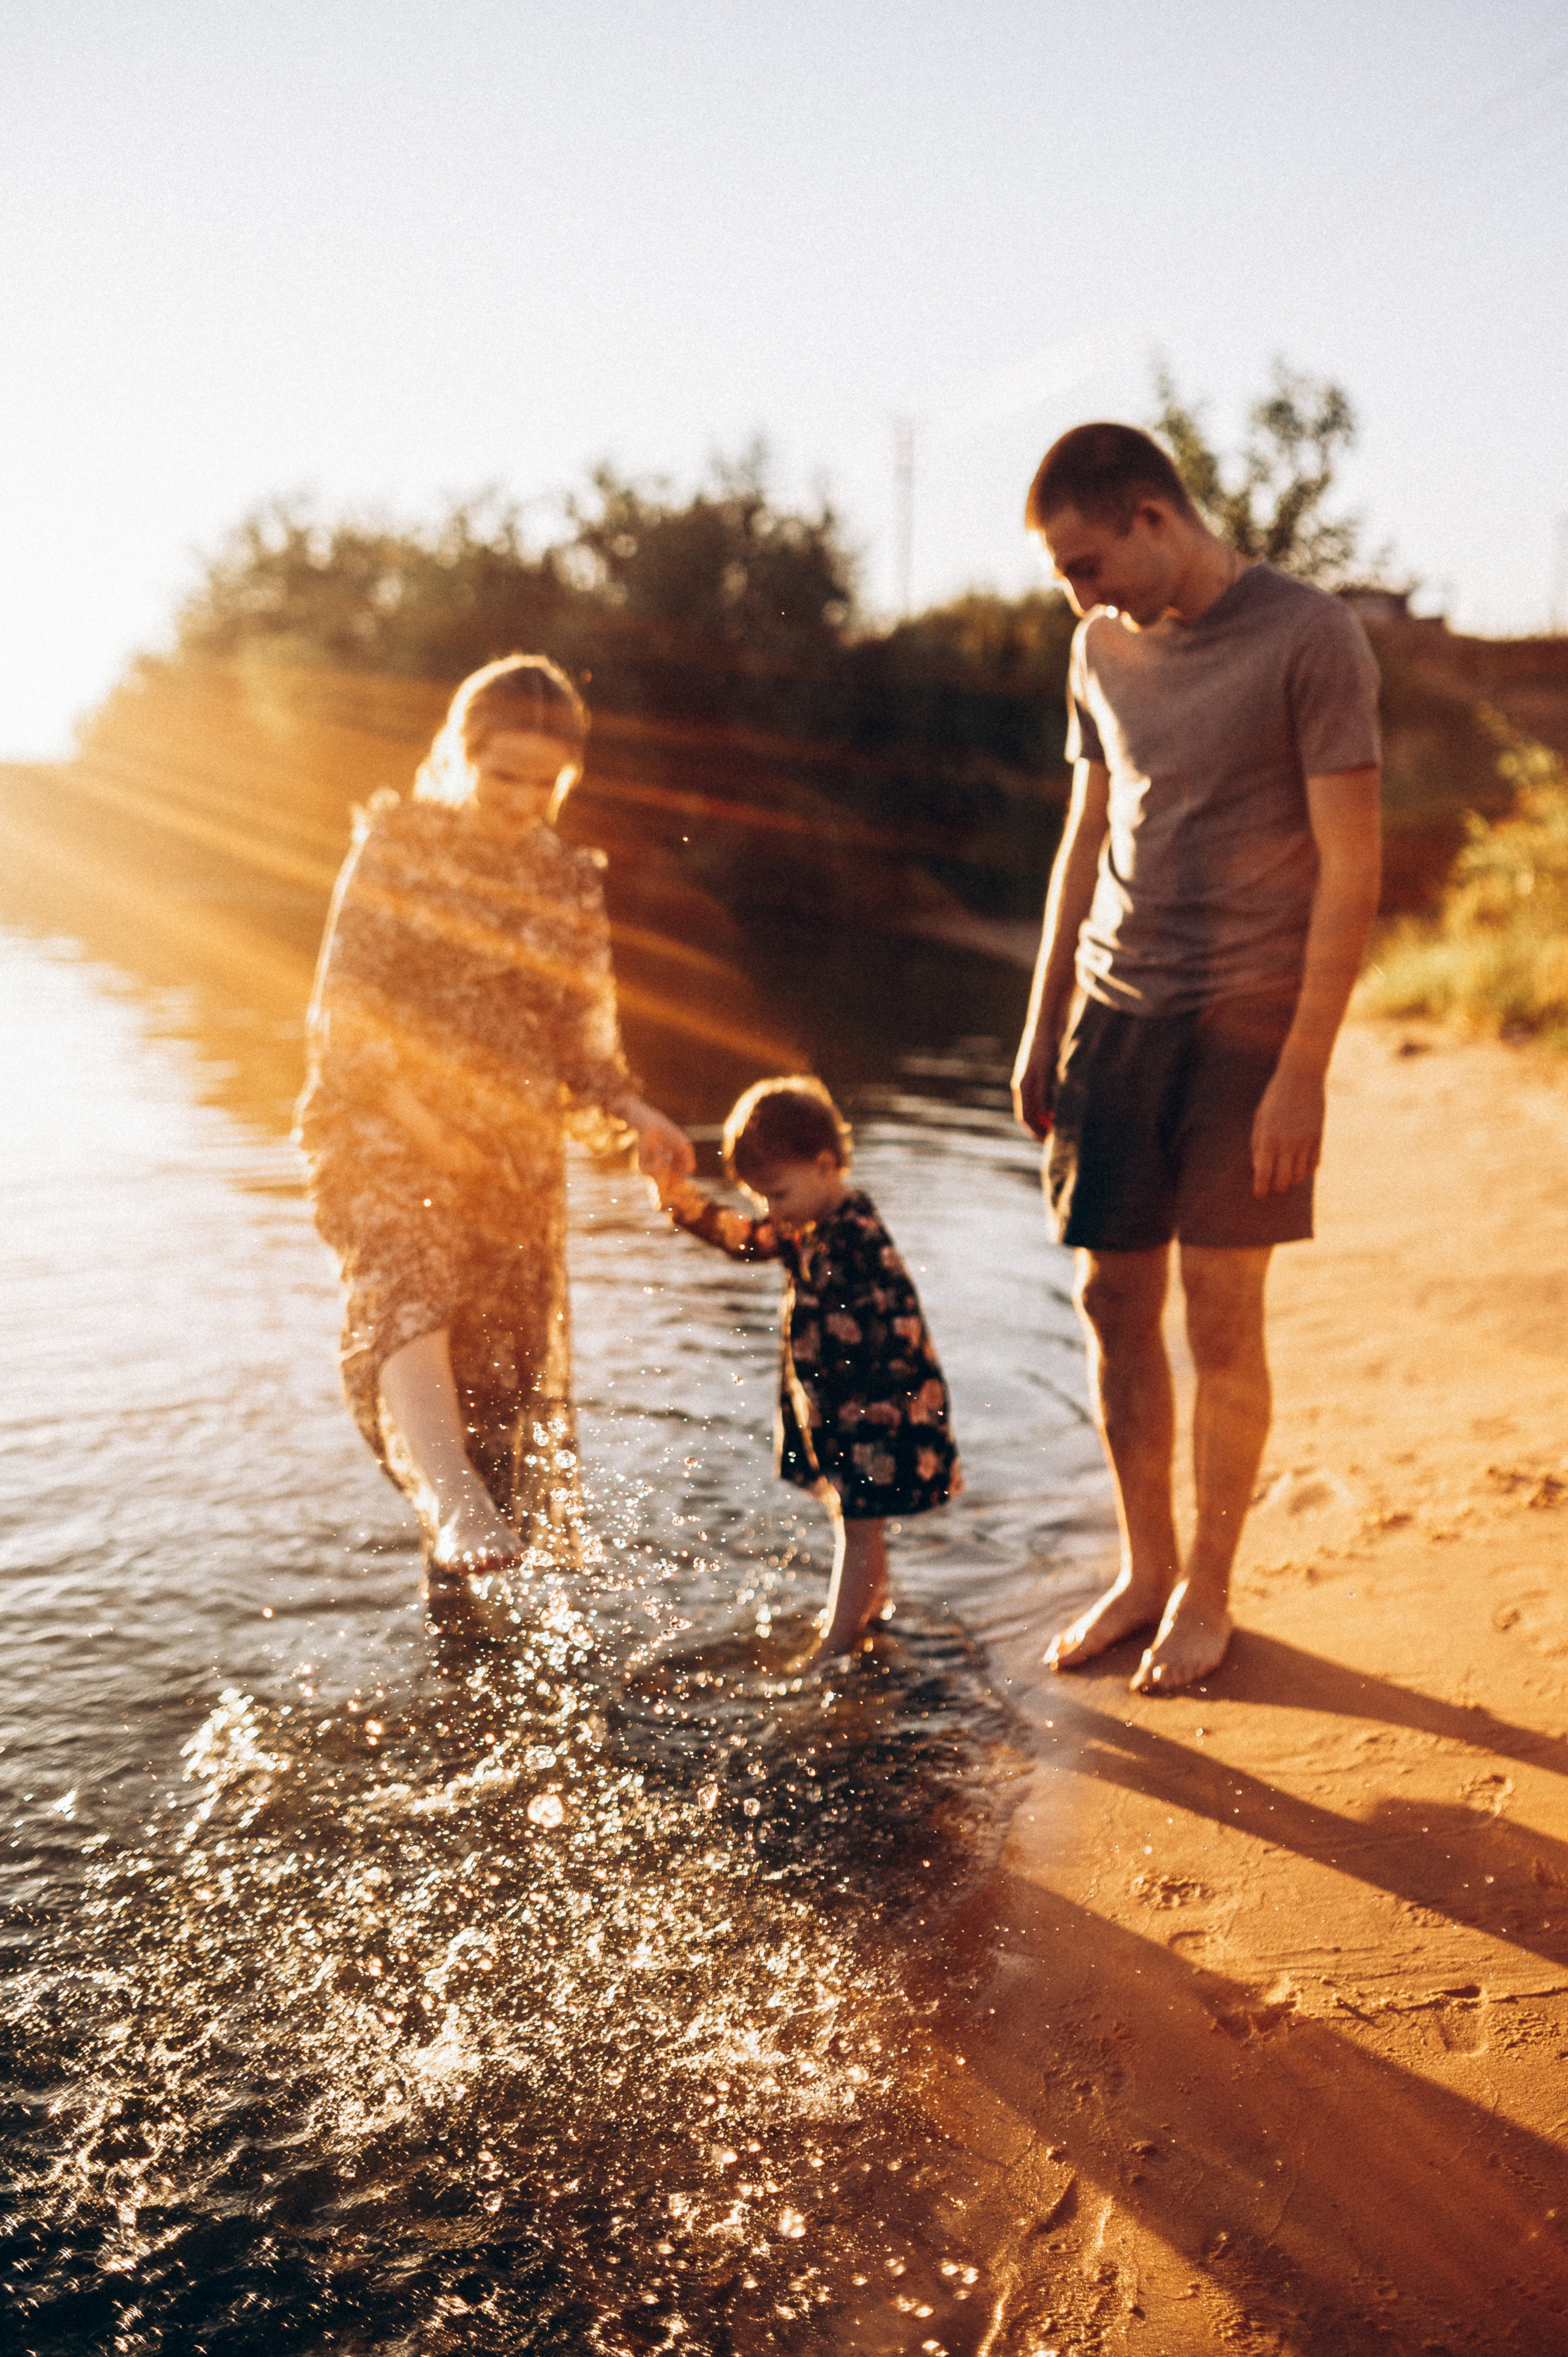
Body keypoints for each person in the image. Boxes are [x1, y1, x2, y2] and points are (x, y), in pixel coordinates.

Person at [1011, 423, 1382, 1693]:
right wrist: (1040, 1012)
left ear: (1150, 519)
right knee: (1111, 1302)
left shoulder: (1307, 634)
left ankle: (1209, 1593)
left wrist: (1300, 1069)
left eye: (1084, 561)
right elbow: (1085, 833)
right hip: (1114, 1018)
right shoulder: (1094, 648)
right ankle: (1143, 1566)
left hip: (1245, 1023)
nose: (1076, 590)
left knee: (1220, 1314)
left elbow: (1351, 866)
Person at [296, 654, 693, 1633]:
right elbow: (346, 1013)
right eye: (501, 774)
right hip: (380, 1123)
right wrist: (429, 1130)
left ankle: (469, 1643)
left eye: (544, 783)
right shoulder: (395, 843)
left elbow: (584, 1043)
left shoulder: (566, 876)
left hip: (513, 1163)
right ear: (460, 754)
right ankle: (451, 1502)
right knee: (407, 1271)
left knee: (495, 1416)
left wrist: (636, 1114)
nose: (521, 800)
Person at [649, 1077, 961, 1660]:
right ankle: (874, 1609)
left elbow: (898, 1333)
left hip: (873, 1409)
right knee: (859, 1520)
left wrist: (872, 1422)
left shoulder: (857, 1238)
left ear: (825, 1165)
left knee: (858, 1523)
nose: (770, 1211)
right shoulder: (808, 1220)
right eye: (761, 1198)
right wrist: (679, 1198)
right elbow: (746, 1240)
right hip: (836, 1404)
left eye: (778, 1194)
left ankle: (837, 1646)